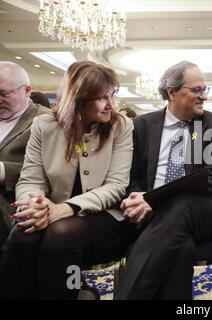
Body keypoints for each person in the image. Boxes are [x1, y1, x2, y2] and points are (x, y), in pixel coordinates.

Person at [0, 61, 136, 299]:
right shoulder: (44, 125)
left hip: (104, 217)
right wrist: (34, 205)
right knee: (23, 232)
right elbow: (30, 178)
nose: (110, 105)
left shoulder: (121, 126)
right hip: (50, 213)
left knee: (61, 234)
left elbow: (116, 187)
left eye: (112, 95)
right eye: (101, 98)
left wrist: (65, 209)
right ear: (79, 100)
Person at [116, 61, 212, 300]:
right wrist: (138, 197)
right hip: (150, 214)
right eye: (196, 90)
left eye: (205, 89)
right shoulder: (142, 125)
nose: (204, 96)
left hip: (201, 209)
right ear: (171, 92)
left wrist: (154, 200)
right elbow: (132, 176)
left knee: (179, 205)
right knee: (181, 249)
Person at [0, 61, 49, 248]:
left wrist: (5, 172)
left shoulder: (47, 122)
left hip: (14, 206)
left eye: (3, 94)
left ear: (27, 90)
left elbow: (54, 172)